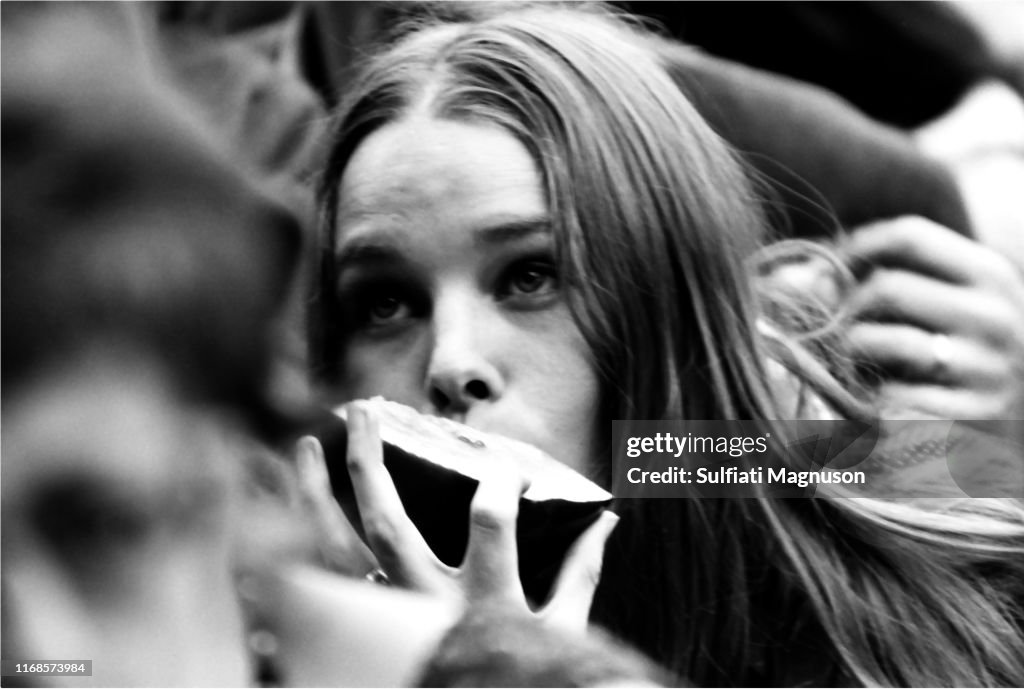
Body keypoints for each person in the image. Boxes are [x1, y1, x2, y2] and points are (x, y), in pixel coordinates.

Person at [305, 5, 1024, 686]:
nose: (452, 362)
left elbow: (932, 470)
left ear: (666, 293)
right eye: (386, 301)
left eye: (531, 275)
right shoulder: (293, 614)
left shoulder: (686, 454)